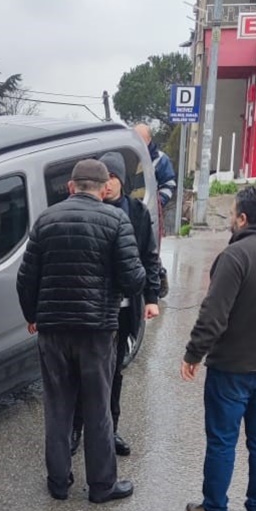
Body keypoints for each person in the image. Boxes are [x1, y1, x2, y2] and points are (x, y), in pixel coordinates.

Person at [17, 158, 146, 504]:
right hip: (96, 331)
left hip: (53, 330)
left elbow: (26, 278)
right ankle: (102, 486)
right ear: (103, 190)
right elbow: (134, 279)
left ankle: (58, 482)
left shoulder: (46, 220)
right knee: (98, 408)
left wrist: (32, 314)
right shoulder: (116, 220)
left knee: (57, 407)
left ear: (71, 186)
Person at [181, 183, 256, 511]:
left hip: (232, 367)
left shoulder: (235, 256)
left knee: (222, 441)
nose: (232, 219)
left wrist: (194, 353)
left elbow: (214, 314)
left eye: (233, 214)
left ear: (243, 218)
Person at [71, 151, 161, 457]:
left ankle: (110, 429)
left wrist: (151, 297)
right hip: (90, 307)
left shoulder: (136, 212)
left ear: (121, 180)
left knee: (114, 370)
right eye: (104, 177)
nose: (107, 183)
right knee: (83, 370)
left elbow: (149, 256)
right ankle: (76, 428)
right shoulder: (86, 209)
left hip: (123, 307)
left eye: (112, 177)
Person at [135, 123, 175, 298]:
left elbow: (169, 184)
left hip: (151, 212)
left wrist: (158, 202)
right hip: (133, 210)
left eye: (141, 138)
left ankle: (159, 275)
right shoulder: (130, 156)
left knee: (151, 248)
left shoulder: (160, 159)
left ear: (149, 139)